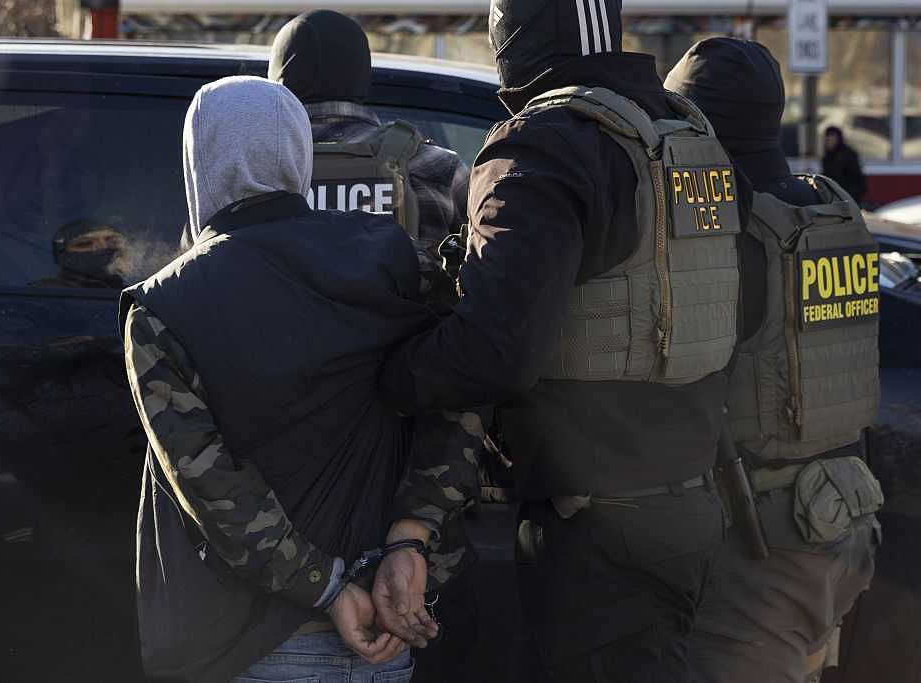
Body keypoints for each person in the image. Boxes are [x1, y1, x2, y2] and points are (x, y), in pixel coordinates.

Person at [374, 1, 754, 680]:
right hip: (694, 509)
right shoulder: (685, 132)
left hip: (597, 533)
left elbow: (495, 351)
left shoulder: (545, 144)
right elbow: (736, 308)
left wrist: (387, 375)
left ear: (510, 33)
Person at [120, 76, 478, 683]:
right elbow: (461, 390)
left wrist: (327, 587)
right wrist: (411, 538)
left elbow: (213, 489)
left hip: (250, 643)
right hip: (389, 618)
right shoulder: (394, 259)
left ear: (198, 161)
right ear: (297, 154)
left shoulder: (163, 307)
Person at [666, 38, 883, 683]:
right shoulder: (829, 211)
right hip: (842, 517)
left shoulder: (735, 236)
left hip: (766, 543)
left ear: (698, 123)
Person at [267, 9, 470, 307]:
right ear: (361, 73)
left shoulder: (250, 170)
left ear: (277, 79)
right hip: (405, 336)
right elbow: (489, 277)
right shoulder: (437, 166)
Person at [31, 219, 128, 289]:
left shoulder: (132, 295)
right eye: (85, 243)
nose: (103, 247)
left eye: (113, 242)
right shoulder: (43, 293)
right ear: (64, 255)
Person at [822, 125, 867, 203]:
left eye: (831, 140)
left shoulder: (848, 155)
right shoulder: (827, 156)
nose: (829, 143)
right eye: (827, 140)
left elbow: (858, 180)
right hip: (834, 197)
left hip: (848, 197)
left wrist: (849, 196)